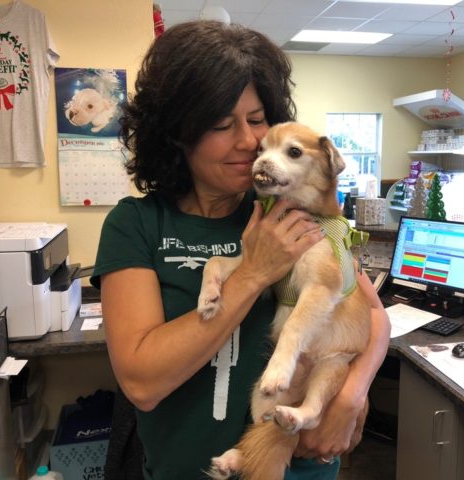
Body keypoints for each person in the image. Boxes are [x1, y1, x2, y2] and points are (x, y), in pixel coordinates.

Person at [91, 20, 391, 480]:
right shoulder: (137, 225)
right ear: (177, 132)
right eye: (220, 124)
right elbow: (141, 382)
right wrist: (252, 274)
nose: (249, 143)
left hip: (298, 465)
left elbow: (371, 313)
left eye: (256, 120)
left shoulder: (291, 208)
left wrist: (351, 396)